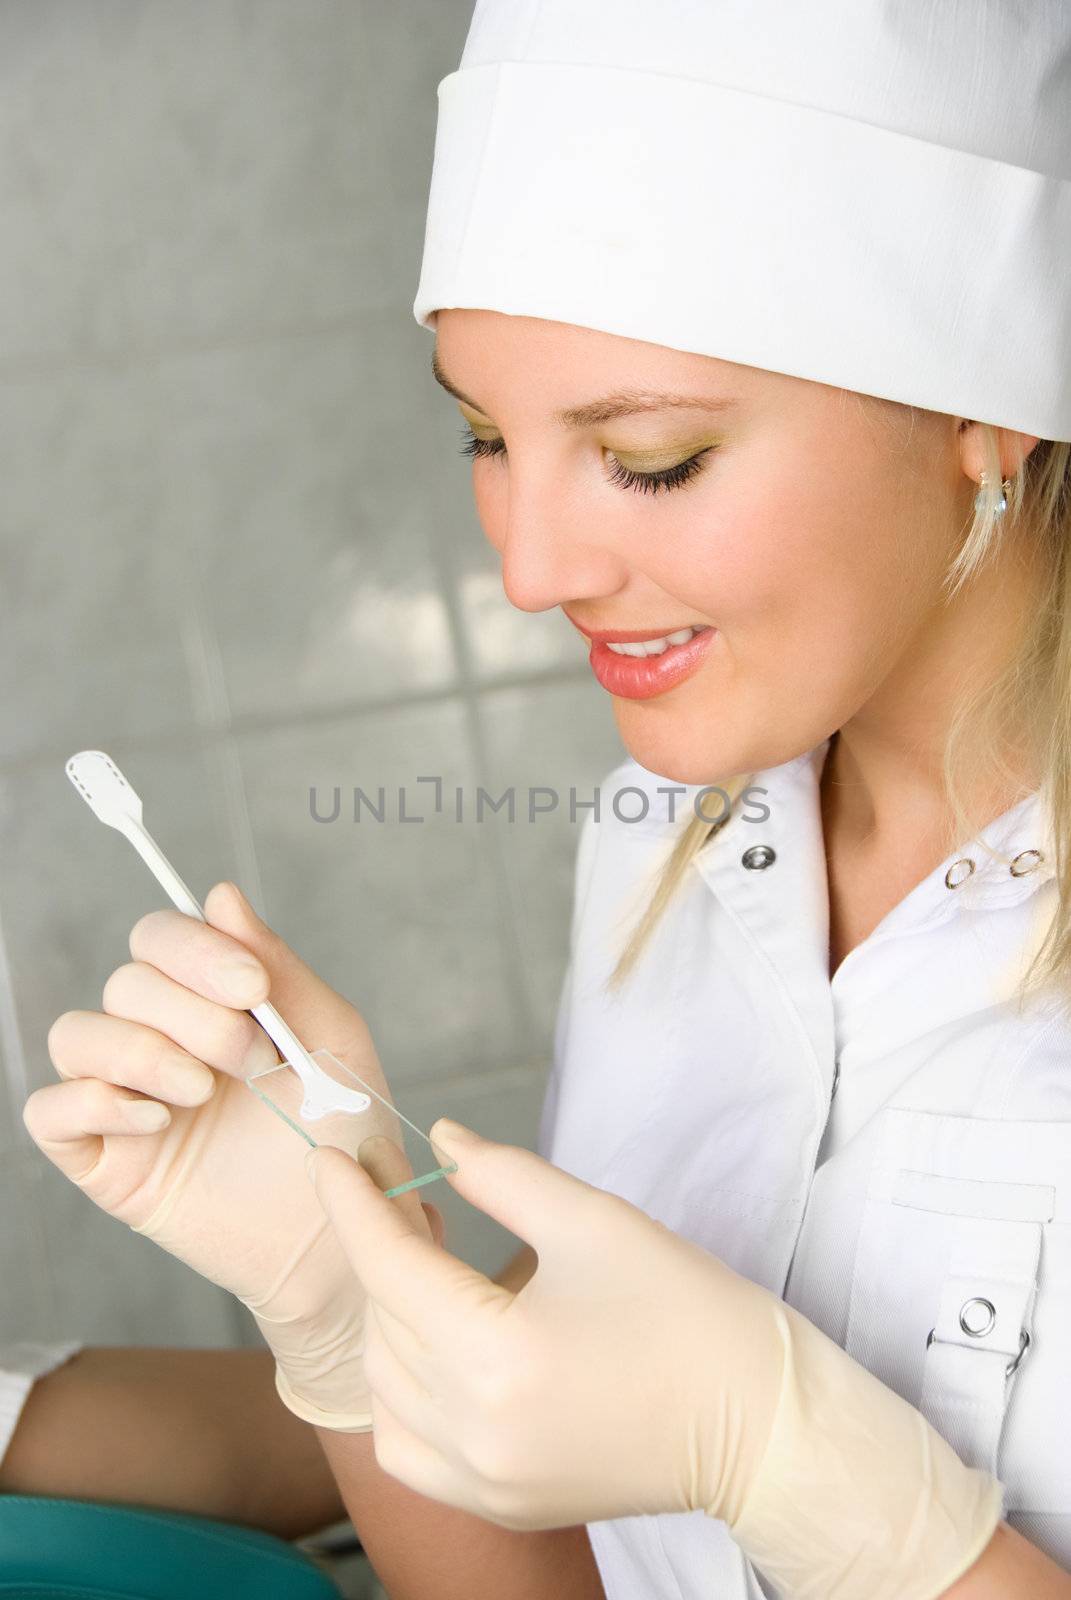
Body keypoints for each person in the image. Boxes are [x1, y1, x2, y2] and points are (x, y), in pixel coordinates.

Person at [21, 0, 1071, 1596]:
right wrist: (357, 1308)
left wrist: (839, 1498)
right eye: (484, 435)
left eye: (651, 456)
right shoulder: (668, 850)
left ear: (991, 408)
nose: (531, 570)